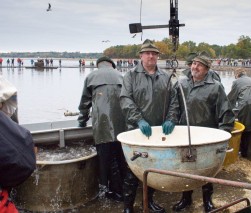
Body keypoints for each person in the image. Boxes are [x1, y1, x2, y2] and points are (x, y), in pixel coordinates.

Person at [120, 39, 179, 213]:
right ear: (141, 56)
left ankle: (150, 201)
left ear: (158, 57)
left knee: (154, 168)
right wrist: (138, 119)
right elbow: (125, 99)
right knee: (133, 170)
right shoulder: (130, 76)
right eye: (147, 53)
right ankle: (127, 207)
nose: (151, 56)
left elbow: (174, 102)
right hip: (136, 130)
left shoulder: (166, 77)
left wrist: (171, 119)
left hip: (158, 131)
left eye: (154, 53)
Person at [172, 51, 235, 212]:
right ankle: (185, 198)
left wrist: (223, 135)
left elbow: (226, 113)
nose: (195, 67)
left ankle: (208, 201)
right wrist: (170, 122)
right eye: (193, 63)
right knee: (186, 168)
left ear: (207, 69)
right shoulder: (182, 84)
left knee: (207, 169)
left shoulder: (216, 87)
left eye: (199, 65)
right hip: (185, 134)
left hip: (207, 136)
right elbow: (174, 107)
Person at [77, 56, 127, 202]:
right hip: (121, 127)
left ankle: (109, 191)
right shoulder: (121, 76)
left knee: (105, 161)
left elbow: (85, 103)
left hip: (102, 126)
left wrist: (82, 121)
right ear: (112, 65)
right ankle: (124, 191)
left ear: (99, 65)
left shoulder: (91, 76)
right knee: (120, 159)